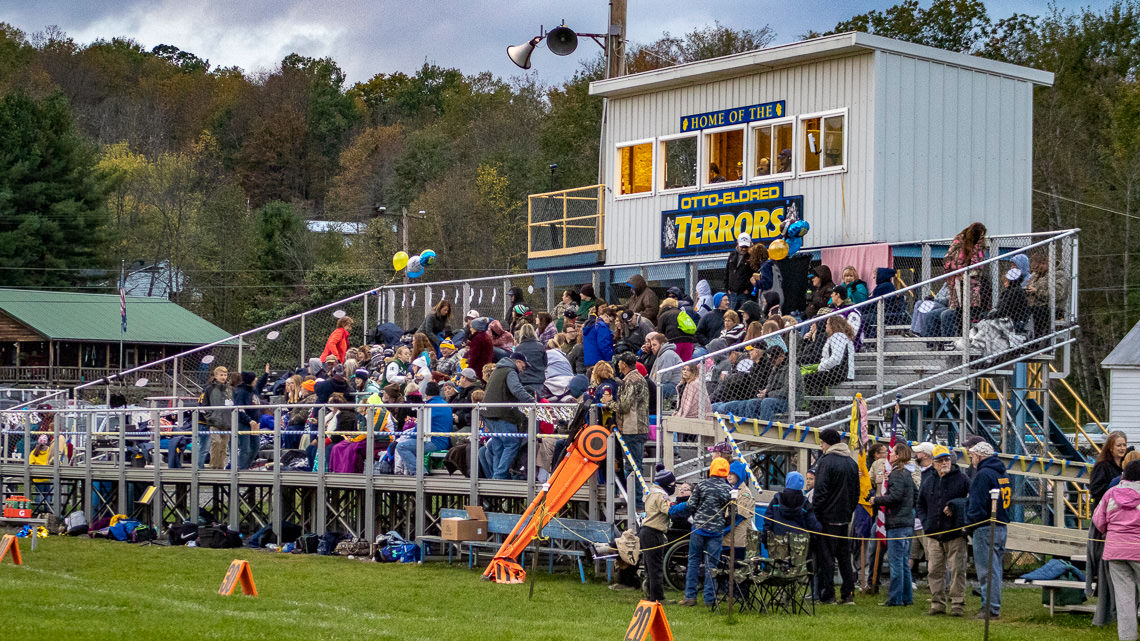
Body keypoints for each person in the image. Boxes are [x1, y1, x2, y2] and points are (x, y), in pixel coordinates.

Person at [919, 445, 970, 616]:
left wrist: (956, 505)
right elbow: (920, 504)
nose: (944, 463)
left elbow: (971, 501)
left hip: (955, 533)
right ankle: (937, 604)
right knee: (934, 571)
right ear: (933, 463)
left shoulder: (962, 479)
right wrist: (926, 523)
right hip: (933, 534)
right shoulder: (928, 481)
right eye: (940, 460)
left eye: (947, 459)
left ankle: (957, 604)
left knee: (957, 570)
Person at [675, 457, 732, 607]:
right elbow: (732, 513)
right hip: (716, 532)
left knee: (693, 562)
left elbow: (691, 505)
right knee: (711, 566)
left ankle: (690, 597)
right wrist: (721, 522)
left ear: (711, 470)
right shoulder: (728, 490)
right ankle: (709, 599)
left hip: (699, 528)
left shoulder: (702, 485)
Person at [1093, 460, 1140, 641]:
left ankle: (1127, 637)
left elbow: (1098, 520)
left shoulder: (1111, 494)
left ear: (1124, 475)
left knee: (1124, 598)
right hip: (1137, 550)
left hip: (1115, 551)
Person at [812, 427, 860, 605]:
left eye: (822, 442)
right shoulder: (851, 462)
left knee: (827, 559)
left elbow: (821, 491)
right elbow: (856, 492)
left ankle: (828, 594)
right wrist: (849, 510)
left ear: (828, 443)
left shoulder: (826, 462)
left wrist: (815, 513)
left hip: (827, 517)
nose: (821, 446)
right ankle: (848, 594)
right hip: (845, 517)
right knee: (845, 558)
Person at [965, 441, 1010, 619]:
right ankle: (993, 605)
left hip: (985, 527)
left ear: (979, 456)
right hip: (1001, 526)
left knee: (987, 570)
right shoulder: (1002, 473)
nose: (971, 460)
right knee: (996, 568)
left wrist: (970, 523)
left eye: (972, 456)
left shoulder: (983, 475)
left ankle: (990, 608)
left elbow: (976, 503)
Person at [872, 443, 917, 607]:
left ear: (897, 456)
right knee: (904, 561)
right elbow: (915, 494)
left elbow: (895, 497)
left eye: (892, 453)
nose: (889, 455)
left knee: (896, 561)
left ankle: (895, 598)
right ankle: (907, 597)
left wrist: (876, 500)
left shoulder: (897, 474)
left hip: (897, 523)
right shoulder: (907, 474)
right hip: (907, 522)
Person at [481, 353, 535, 479]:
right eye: (524, 365)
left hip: (488, 413)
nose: (523, 369)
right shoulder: (510, 371)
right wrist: (532, 402)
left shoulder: (497, 371)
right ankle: (500, 476)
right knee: (511, 443)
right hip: (501, 414)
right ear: (517, 362)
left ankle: (497, 475)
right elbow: (516, 389)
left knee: (498, 445)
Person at [613, 352, 650, 500]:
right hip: (639, 427)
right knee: (635, 465)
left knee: (633, 466)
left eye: (619, 362)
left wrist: (609, 401)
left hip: (632, 428)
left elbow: (624, 406)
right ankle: (636, 499)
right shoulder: (639, 378)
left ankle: (636, 501)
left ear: (623, 364)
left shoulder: (631, 381)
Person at [395, 382, 451, 474]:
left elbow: (419, 428)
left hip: (433, 442)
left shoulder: (428, 407)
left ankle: (419, 472)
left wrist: (410, 438)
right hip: (445, 441)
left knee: (401, 446)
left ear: (426, 394)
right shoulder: (446, 405)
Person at [641, 465, 675, 603]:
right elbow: (668, 510)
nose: (674, 486)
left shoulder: (651, 492)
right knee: (656, 567)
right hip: (654, 532)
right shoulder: (662, 495)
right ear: (666, 483)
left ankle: (650, 595)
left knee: (649, 567)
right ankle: (658, 598)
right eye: (672, 483)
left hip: (645, 531)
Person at [763, 471, 821, 541]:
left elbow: (768, 523)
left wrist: (766, 541)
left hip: (778, 545)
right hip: (799, 546)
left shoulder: (776, 501)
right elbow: (814, 526)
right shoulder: (805, 503)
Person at [724, 460, 756, 561]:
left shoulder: (745, 493)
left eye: (732, 474)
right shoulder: (729, 489)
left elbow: (740, 516)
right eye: (728, 473)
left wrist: (724, 530)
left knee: (736, 567)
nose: (729, 476)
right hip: (726, 539)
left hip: (737, 539)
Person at [230, 371, 261, 470]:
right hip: (244, 423)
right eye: (255, 378)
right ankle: (242, 468)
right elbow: (239, 409)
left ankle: (246, 465)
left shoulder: (253, 390)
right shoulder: (241, 392)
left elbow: (261, 384)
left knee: (255, 447)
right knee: (245, 448)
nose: (256, 380)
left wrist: (266, 374)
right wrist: (249, 420)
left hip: (255, 423)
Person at [513, 323, 547, 394]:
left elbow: (515, 365)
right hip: (538, 380)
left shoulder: (518, 348)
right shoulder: (541, 346)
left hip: (524, 381)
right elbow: (545, 363)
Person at [647, 332, 681, 403]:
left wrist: (652, 387)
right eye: (652, 345)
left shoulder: (667, 354)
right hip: (667, 385)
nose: (652, 347)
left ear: (662, 344)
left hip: (675, 386)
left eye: (654, 345)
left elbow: (665, 376)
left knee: (653, 391)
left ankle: (652, 411)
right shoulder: (661, 355)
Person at [726, 233, 754, 310]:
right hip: (732, 293)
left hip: (744, 294)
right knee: (732, 314)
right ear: (738, 244)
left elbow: (754, 274)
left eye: (746, 247)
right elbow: (727, 272)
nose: (744, 249)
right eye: (742, 247)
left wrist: (748, 289)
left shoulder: (751, 257)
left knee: (745, 313)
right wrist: (727, 288)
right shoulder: (732, 256)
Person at [466, 317, 494, 381]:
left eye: (471, 327)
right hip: (485, 366)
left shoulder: (477, 339)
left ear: (475, 328)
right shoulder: (486, 336)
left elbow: (474, 356)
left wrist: (469, 369)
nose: (470, 329)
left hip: (478, 370)